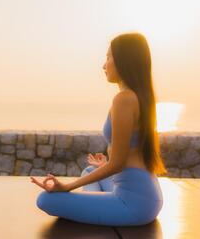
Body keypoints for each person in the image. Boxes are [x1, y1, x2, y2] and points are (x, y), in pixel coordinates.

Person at [30, 32, 167, 226]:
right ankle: (100, 201)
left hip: (134, 204)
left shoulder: (124, 99)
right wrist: (105, 166)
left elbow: (118, 164)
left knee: (45, 200)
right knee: (89, 170)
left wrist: (67, 187)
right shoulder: (139, 97)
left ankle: (100, 203)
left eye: (108, 57)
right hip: (146, 195)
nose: (104, 65)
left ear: (123, 60)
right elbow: (127, 158)